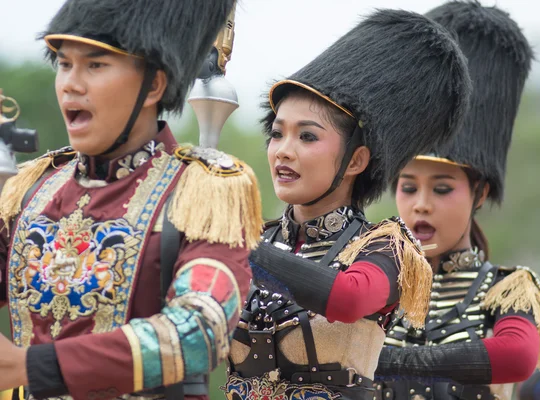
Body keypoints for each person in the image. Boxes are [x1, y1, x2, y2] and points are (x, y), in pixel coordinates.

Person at [0, 0, 262, 399]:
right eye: (64, 64)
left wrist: (35, 366)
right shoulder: (32, 187)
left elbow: (201, 329)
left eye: (95, 65)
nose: (70, 82)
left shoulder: (205, 191)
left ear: (154, 84)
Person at [222, 8, 472, 400]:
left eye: (307, 137)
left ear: (355, 161)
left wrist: (231, 243)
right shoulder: (258, 237)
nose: (283, 151)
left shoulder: (386, 247)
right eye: (277, 133)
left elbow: (348, 297)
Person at [375, 2, 540, 400]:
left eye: (442, 189)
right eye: (408, 188)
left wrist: (385, 361)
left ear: (480, 193)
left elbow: (517, 355)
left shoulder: (507, 287)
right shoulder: (375, 282)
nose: (421, 204)